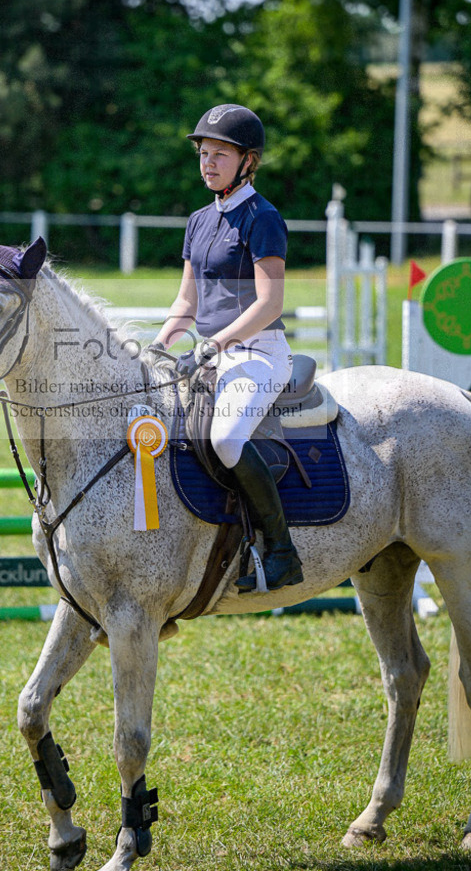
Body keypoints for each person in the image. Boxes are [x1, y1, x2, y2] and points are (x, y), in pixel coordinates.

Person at [147, 103, 303, 592]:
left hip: (259, 354)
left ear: (248, 161)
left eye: (219, 154)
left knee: (226, 439)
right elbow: (185, 301)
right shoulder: (198, 221)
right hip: (212, 353)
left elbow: (269, 301)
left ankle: (281, 552)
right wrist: (155, 344)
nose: (208, 163)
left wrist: (212, 345)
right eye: (203, 153)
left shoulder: (264, 218)